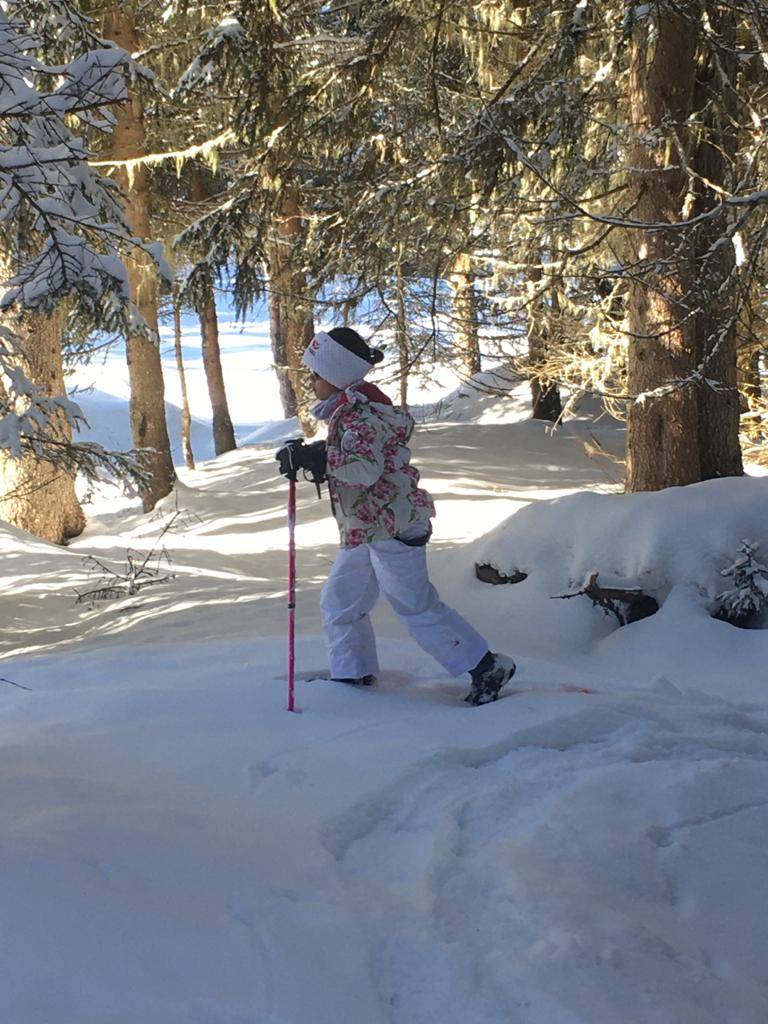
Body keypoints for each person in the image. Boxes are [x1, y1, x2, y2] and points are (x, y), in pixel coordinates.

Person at [276, 327, 516, 705]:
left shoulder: (360, 415)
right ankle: (352, 673)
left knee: (413, 605)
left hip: (392, 526)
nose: (311, 380)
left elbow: (365, 469)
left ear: (338, 375)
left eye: (317, 373)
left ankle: (486, 666)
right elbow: (358, 452)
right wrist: (315, 454)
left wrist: (319, 459)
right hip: (368, 527)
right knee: (340, 602)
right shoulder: (352, 411)